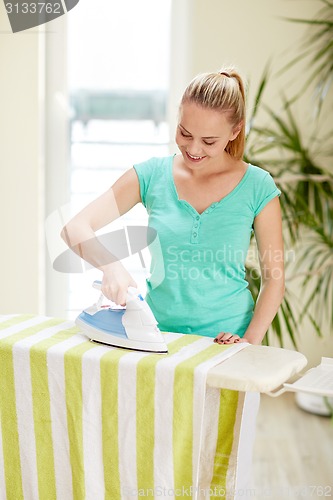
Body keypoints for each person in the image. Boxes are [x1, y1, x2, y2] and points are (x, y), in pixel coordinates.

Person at [61, 67, 285, 346]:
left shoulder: (257, 186)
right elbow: (74, 228)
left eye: (209, 141)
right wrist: (111, 267)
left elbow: (274, 279)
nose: (193, 148)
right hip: (159, 339)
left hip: (229, 343)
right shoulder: (151, 175)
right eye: (185, 133)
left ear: (235, 130)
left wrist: (248, 343)